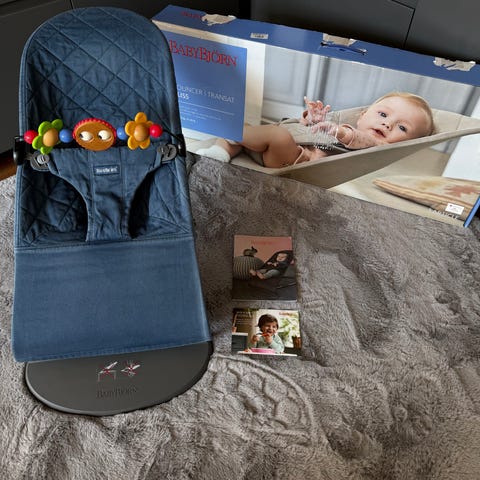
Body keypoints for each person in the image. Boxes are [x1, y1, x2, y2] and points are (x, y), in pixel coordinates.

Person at [196, 92, 435, 168]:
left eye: (402, 127)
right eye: (383, 114)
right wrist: (311, 119)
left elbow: (356, 138)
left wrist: (341, 133)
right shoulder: (339, 122)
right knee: (251, 127)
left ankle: (229, 133)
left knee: (277, 135)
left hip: (293, 158)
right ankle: (221, 151)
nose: (387, 124)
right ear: (363, 115)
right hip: (277, 143)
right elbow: (305, 131)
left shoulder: (375, 145)